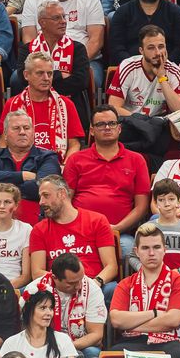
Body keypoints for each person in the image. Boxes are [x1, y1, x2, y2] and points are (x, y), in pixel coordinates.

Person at [109, 224, 180, 358]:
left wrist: (133, 323)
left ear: (165, 249)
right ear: (136, 251)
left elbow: (173, 320)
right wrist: (155, 313)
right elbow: (117, 320)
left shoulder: (179, 281)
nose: (152, 253)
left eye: (156, 247)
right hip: (132, 342)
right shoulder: (126, 284)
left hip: (169, 342)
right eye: (145, 248)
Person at [65, 104, 152, 255]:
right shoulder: (75, 159)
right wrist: (79, 226)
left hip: (120, 233)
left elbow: (141, 207)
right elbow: (65, 200)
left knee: (127, 249)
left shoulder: (137, 160)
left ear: (119, 128)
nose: (107, 127)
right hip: (80, 230)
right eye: (100, 124)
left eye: (112, 123)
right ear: (92, 131)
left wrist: (116, 229)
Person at [29, 174, 117, 285]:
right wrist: (66, 282)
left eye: (46, 195)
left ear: (62, 193)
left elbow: (111, 266)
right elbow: (37, 273)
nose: (41, 202)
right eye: (40, 196)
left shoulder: (97, 220)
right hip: (57, 286)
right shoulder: (39, 229)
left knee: (112, 288)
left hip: (94, 283)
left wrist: (95, 284)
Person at [0, 110, 61, 225]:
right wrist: (22, 176)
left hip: (36, 224)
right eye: (16, 128)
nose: (22, 132)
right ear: (5, 134)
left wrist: (0, 187)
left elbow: (43, 188)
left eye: (26, 128)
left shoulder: (47, 157)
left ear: (33, 132)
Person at [106, 26, 180, 141]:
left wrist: (161, 77)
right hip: (131, 122)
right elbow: (114, 107)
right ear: (141, 50)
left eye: (161, 47)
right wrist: (142, 122)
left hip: (158, 125)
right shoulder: (128, 67)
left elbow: (179, 109)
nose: (158, 53)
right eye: (151, 48)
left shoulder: (173, 70)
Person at [1, 52, 83, 163]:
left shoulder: (66, 104)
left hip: (57, 169)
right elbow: (3, 142)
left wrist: (65, 167)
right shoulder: (12, 104)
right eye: (40, 73)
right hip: (21, 169)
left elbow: (74, 145)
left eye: (49, 74)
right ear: (26, 75)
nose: (46, 78)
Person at [15, 0, 91, 116]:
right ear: (42, 23)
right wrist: (60, 74)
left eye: (63, 17)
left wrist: (40, 82)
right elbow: (23, 79)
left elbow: (81, 81)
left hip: (71, 108)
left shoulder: (78, 48)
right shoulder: (27, 49)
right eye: (56, 18)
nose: (63, 21)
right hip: (34, 107)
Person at [21, 253, 107, 357]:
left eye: (80, 279)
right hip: (43, 344)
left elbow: (96, 335)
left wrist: (65, 347)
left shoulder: (92, 289)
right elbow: (28, 328)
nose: (79, 286)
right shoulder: (35, 289)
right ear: (55, 278)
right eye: (72, 283)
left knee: (92, 352)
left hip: (79, 345)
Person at [1, 287, 77, 358]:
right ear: (29, 310)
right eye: (42, 308)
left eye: (51, 308)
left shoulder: (63, 340)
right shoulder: (11, 343)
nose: (49, 313)